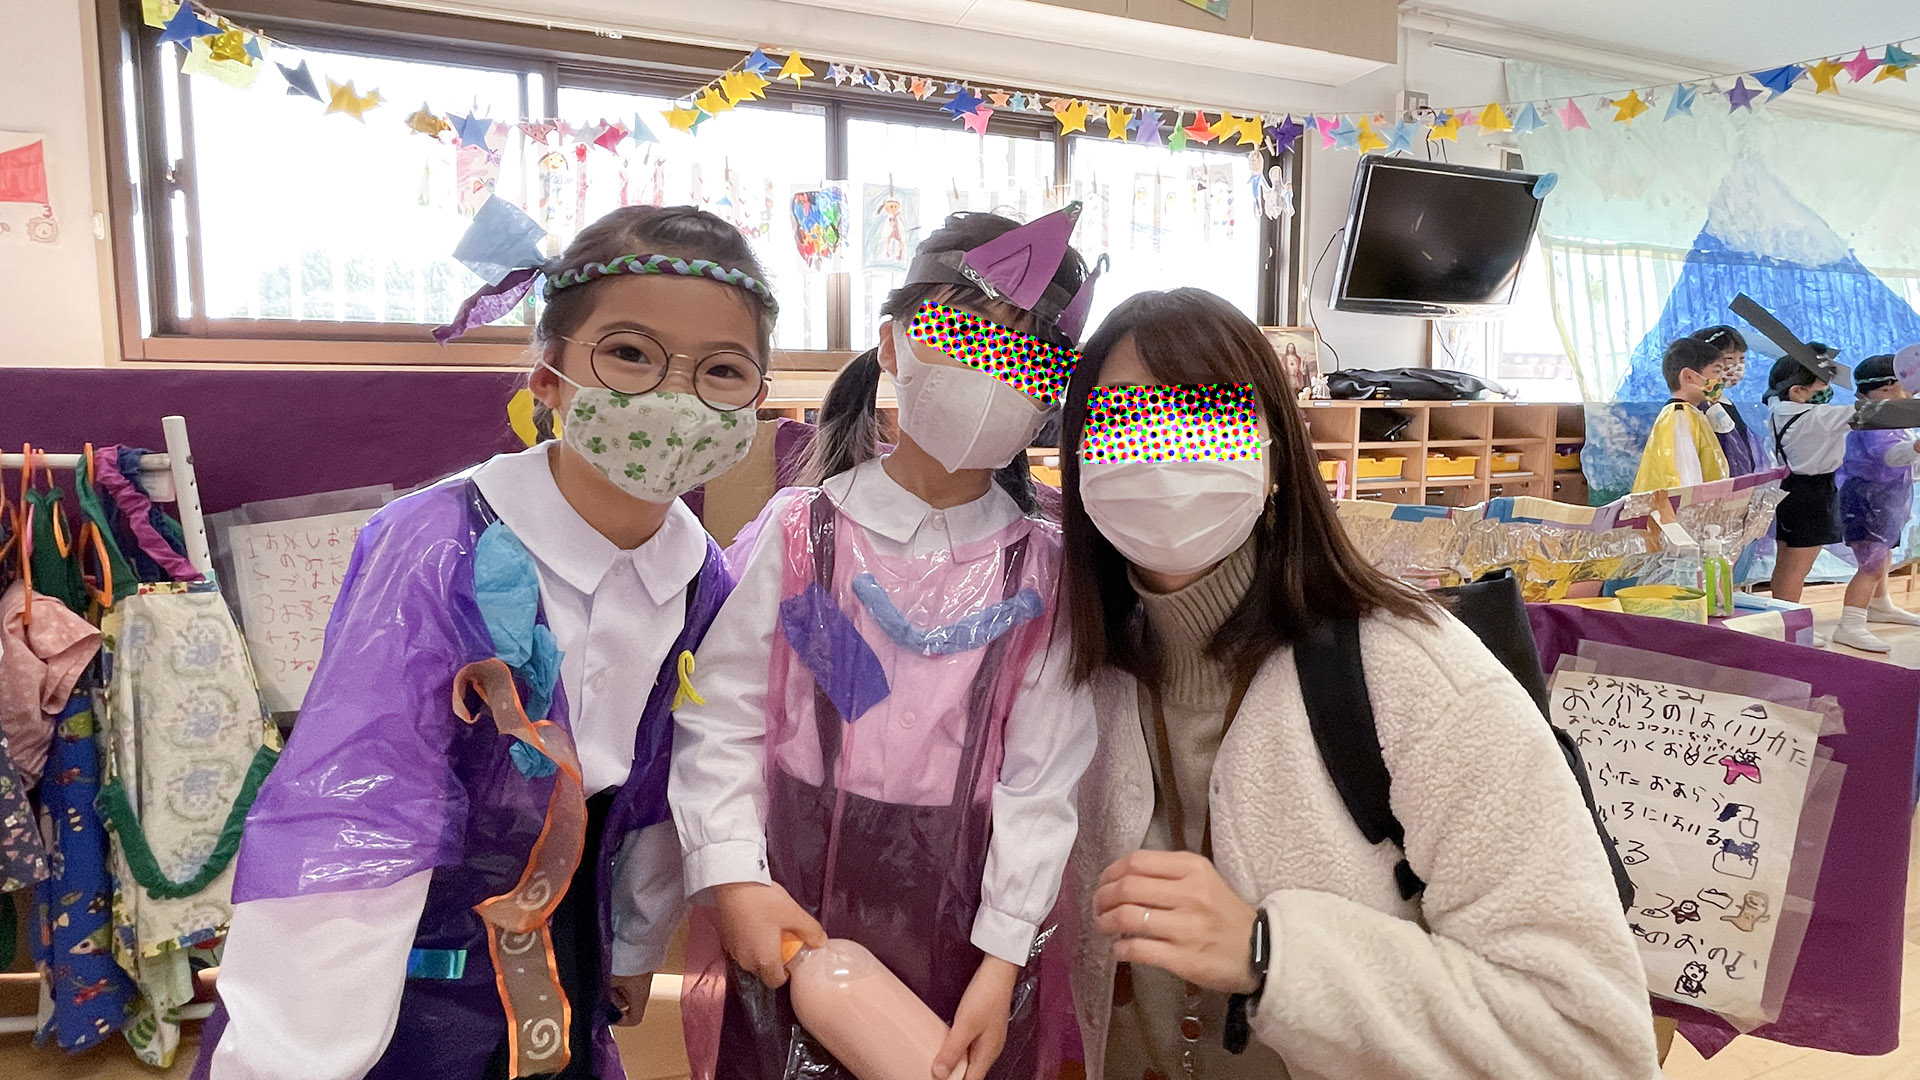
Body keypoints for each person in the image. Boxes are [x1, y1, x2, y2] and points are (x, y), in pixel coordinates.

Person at [198, 206, 773, 1080]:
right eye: (629, 353)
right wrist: (295, 1057)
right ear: (548, 375)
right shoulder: (436, 544)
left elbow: (663, 780)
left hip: (567, 944)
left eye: (722, 370)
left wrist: (633, 940)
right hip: (400, 954)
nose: (674, 396)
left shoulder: (702, 575)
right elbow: (358, 808)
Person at [1055, 288, 1659, 1080]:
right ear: (1076, 461)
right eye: (1121, 418)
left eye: (1204, 413)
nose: (1162, 451)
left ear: (1278, 455)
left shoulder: (1411, 674)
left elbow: (1593, 1043)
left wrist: (1272, 956)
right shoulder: (1072, 672)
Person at [671, 207, 1101, 1080]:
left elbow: (1042, 780)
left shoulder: (1047, 572)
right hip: (791, 890)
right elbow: (725, 718)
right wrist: (734, 874)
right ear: (896, 345)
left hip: (971, 916)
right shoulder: (806, 540)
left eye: (1027, 356)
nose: (993, 376)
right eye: (967, 338)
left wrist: (1004, 956)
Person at [1832, 354, 1920, 652]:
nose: (1897, 395)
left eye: (1900, 388)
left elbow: (1907, 462)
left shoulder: (1898, 420)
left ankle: (1880, 604)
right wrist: (1916, 447)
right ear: (1865, 394)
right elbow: (1890, 456)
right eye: (1886, 390)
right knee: (1871, 563)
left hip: (1888, 498)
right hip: (1867, 499)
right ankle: (1850, 623)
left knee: (1883, 555)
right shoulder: (1874, 420)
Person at [1765, 352, 1853, 609]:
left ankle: (1778, 615)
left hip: (1789, 487)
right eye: (1823, 385)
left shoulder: (1778, 407)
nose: (1828, 391)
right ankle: (1787, 621)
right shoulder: (1818, 417)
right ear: (1798, 391)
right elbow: (1870, 414)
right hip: (1814, 494)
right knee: (1798, 568)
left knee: (1785, 563)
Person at [1632, 337, 1732, 493]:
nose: (1722, 380)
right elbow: (1686, 481)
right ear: (1688, 376)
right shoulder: (1679, 416)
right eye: (1717, 371)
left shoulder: (1692, 414)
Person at [1692, 324, 1771, 476]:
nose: (1737, 366)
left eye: (1742, 359)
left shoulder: (1724, 401)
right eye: (1729, 359)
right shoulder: (1700, 404)